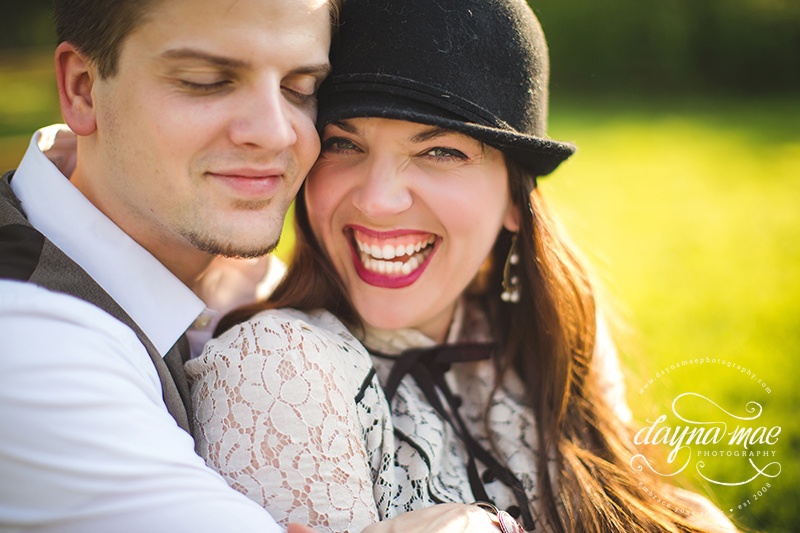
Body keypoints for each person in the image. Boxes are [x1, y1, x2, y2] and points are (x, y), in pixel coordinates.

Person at [188, 0, 738, 532]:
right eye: (342, 143)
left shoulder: (549, 330)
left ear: (514, 202)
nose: (378, 199)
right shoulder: (275, 367)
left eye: (441, 151)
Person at [0, 0, 338, 531]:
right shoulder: (22, 337)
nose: (277, 133)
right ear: (83, 88)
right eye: (206, 81)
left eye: (300, 89)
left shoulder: (253, 287)